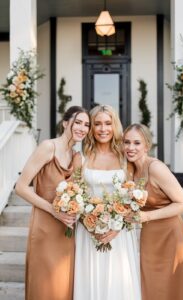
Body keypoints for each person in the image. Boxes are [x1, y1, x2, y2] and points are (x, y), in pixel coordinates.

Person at [15, 106, 90, 300]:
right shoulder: (48, 147)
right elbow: (21, 187)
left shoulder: (77, 157)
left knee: (62, 286)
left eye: (86, 124)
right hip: (45, 227)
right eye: (78, 122)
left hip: (66, 231)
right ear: (65, 123)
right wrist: (54, 211)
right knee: (44, 286)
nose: (82, 127)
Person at [73, 105, 141, 300]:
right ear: (91, 128)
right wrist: (90, 224)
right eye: (97, 124)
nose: (103, 129)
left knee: (119, 282)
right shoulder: (81, 157)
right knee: (89, 279)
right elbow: (77, 194)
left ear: (115, 125)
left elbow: (133, 194)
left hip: (119, 232)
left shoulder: (125, 156)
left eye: (108, 123)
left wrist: (117, 226)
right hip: (88, 231)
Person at [123, 123, 183, 300]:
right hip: (150, 235)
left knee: (171, 284)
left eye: (137, 143)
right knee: (151, 284)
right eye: (126, 142)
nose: (130, 147)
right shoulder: (130, 169)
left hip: (170, 234)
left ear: (147, 146)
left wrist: (147, 215)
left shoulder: (156, 168)